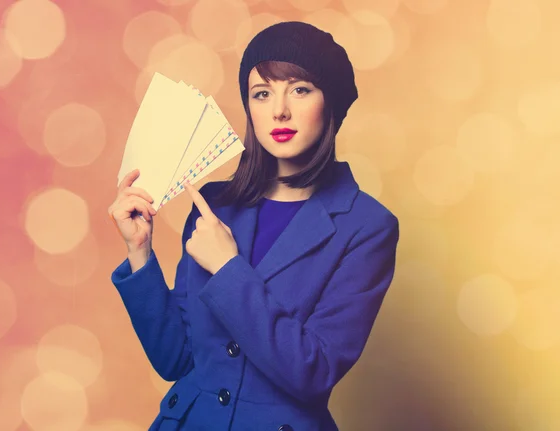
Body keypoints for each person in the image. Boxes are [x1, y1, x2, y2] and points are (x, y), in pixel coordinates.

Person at [108, 21, 399, 431]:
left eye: (300, 89)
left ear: (329, 102)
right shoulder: (213, 204)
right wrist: (139, 253)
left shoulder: (367, 227)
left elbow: (312, 374)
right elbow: (175, 358)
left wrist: (228, 269)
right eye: (262, 93)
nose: (279, 110)